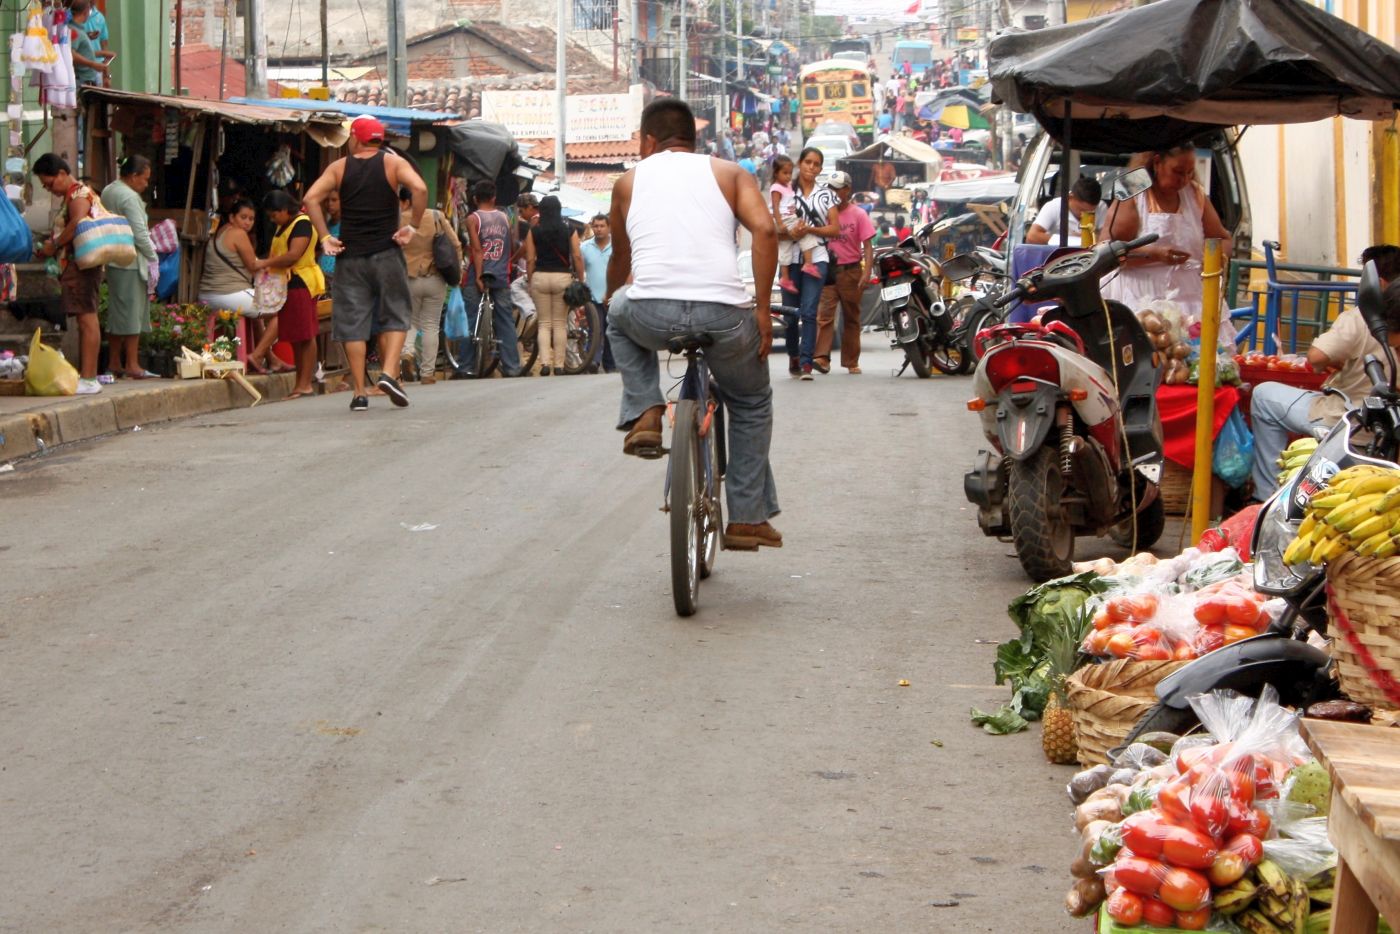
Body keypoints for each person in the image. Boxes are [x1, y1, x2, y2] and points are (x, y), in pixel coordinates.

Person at [605, 98, 782, 549]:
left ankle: (646, 411)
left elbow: (621, 257)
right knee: (750, 402)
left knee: (617, 314)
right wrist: (762, 310)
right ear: (693, 139)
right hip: (724, 315)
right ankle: (746, 518)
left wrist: (612, 296)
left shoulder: (627, 182)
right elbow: (765, 231)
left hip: (652, 312)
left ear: (648, 141)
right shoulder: (730, 173)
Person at [1250, 246, 1400, 500]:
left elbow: (1317, 357)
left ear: (1377, 284)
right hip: (1378, 428)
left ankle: (1266, 495)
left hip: (1345, 420)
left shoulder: (1360, 318)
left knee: (1263, 395)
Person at [303, 114, 427, 412]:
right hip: (387, 253)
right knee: (396, 314)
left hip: (350, 257)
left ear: (355, 138)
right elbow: (420, 189)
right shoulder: (393, 163)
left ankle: (359, 393)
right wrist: (413, 226)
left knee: (353, 323)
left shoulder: (339, 167)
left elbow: (310, 199)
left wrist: (325, 237)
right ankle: (388, 373)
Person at [1101, 143, 1232, 315]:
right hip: (1137, 298)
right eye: (1178, 172)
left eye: (1189, 172)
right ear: (1157, 162)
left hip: (1191, 298)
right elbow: (1107, 249)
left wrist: (1212, 259)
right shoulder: (1133, 185)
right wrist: (1156, 254)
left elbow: (1224, 238)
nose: (1184, 180)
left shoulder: (1195, 193)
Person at [33, 153, 102, 394]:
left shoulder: (78, 194)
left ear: (62, 174)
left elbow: (77, 222)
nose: (49, 189)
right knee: (85, 318)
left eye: (50, 183)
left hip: (81, 265)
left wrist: (54, 245)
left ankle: (90, 378)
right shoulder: (72, 195)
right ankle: (88, 376)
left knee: (87, 318)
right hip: (77, 264)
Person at [248, 190, 323, 399]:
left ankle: (305, 384)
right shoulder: (284, 225)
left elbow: (293, 255)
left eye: (274, 215)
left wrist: (264, 262)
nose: (273, 219)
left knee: (305, 335)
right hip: (287, 284)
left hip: (302, 282)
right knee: (296, 336)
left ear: (283, 209)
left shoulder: (302, 223)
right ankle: (300, 383)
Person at [782, 147, 841, 380]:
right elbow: (772, 225)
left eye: (816, 164)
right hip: (790, 259)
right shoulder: (785, 191)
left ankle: (806, 363)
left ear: (820, 169)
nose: (811, 167)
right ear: (800, 163)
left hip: (817, 257)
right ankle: (794, 355)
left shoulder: (826, 195)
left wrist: (810, 229)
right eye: (808, 162)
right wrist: (791, 232)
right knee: (789, 315)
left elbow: (834, 229)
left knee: (808, 312)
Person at [100, 155, 157, 379]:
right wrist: (153, 257)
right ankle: (132, 363)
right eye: (145, 179)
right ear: (133, 176)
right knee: (133, 314)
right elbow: (139, 233)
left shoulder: (109, 190)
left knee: (117, 312)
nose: (146, 184)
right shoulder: (129, 197)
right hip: (131, 261)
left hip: (113, 257)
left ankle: (115, 361)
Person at [813, 171, 875, 376]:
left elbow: (868, 245)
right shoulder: (823, 214)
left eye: (837, 189)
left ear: (847, 190)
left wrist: (867, 272)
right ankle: (822, 358)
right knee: (825, 316)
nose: (833, 193)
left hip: (851, 271)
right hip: (829, 271)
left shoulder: (859, 214)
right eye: (830, 189)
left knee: (851, 317)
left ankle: (851, 361)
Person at [397, 186, 460, 385]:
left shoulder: (398, 220)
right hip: (435, 278)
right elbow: (456, 244)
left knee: (410, 321)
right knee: (431, 324)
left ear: (405, 201)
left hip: (408, 278)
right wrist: (456, 271)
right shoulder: (436, 216)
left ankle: (407, 353)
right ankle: (427, 373)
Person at [461, 179, 520, 378]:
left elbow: (477, 250)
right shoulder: (505, 218)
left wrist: (479, 276)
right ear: (494, 198)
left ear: (475, 199)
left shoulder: (473, 219)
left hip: (478, 274)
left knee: (471, 318)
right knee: (505, 320)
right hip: (501, 275)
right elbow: (511, 244)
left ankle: (466, 366)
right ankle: (512, 367)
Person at [525, 195, 585, 376]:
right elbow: (577, 256)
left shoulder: (534, 231)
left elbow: (530, 259)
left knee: (544, 323)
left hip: (540, 277)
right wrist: (581, 279)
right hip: (562, 277)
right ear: (559, 210)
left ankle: (544, 364)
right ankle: (558, 366)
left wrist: (530, 281)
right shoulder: (569, 230)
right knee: (559, 323)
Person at [768, 155, 821, 294]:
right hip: (785, 219)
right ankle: (809, 263)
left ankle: (785, 278)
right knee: (805, 233)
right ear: (776, 173)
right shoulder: (776, 188)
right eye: (784, 173)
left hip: (789, 218)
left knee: (785, 248)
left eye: (790, 173)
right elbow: (775, 206)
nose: (788, 176)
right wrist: (780, 223)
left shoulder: (788, 186)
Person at [580, 213, 615, 373]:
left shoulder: (617, 246)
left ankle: (610, 364)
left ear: (609, 228)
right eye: (596, 226)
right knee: (595, 330)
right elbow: (580, 269)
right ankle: (593, 361)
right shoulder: (585, 247)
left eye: (602, 226)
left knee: (610, 331)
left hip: (612, 297)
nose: (599, 229)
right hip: (592, 297)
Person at [1027, 176, 1102, 246]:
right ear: (1070, 198)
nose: (1084, 215)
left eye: (1092, 212)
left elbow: (1105, 238)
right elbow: (1032, 236)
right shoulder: (1053, 206)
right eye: (1081, 210)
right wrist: (1071, 240)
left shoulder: (1102, 207)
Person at [68, 0, 109, 87]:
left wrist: (103, 54)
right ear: (86, 11)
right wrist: (92, 64)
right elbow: (71, 54)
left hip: (87, 79)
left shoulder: (78, 29)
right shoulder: (74, 30)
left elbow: (82, 52)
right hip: (81, 81)